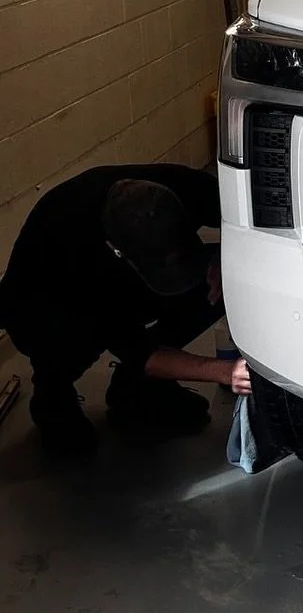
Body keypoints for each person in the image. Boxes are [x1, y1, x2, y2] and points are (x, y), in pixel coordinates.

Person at [0, 165, 250, 456]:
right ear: (118, 251)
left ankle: (136, 387)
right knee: (68, 340)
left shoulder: (185, 188)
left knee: (227, 281)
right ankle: (52, 394)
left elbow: (251, 220)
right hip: (41, 305)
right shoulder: (79, 255)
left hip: (120, 271)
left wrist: (227, 255)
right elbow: (138, 350)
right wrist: (225, 372)